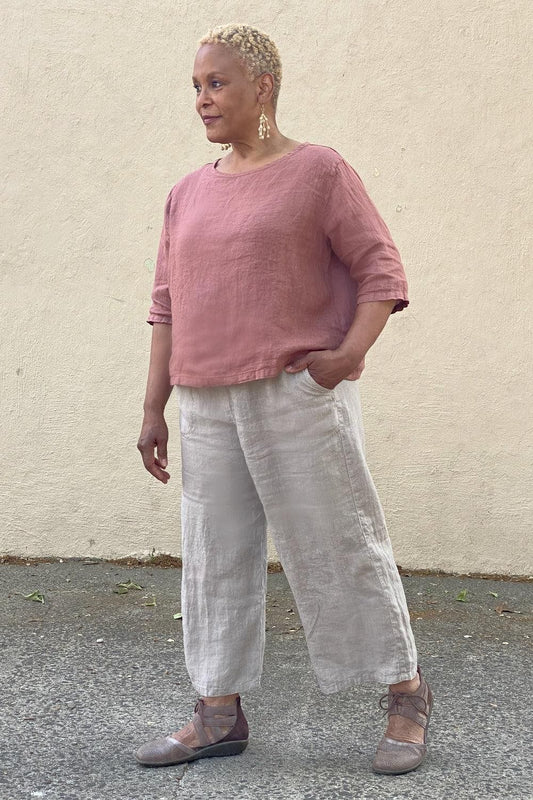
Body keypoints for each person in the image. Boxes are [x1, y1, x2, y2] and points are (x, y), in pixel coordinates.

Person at [135, 23, 433, 776]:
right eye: (196, 86)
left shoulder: (318, 171)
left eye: (217, 83)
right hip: (204, 403)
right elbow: (166, 305)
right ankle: (218, 711)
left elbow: (380, 272)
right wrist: (152, 408)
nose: (202, 99)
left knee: (340, 546)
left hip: (295, 395)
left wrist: (342, 359)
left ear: (261, 86)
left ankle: (405, 694)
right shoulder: (186, 193)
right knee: (213, 558)